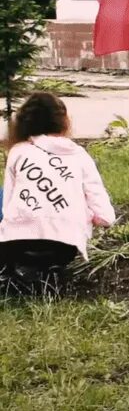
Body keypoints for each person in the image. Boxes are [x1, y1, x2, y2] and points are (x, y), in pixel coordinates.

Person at [0, 93, 115, 290]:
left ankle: (16, 271)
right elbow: (106, 217)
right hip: (64, 247)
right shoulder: (79, 155)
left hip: (15, 244)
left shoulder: (18, 151)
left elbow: (8, 205)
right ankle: (38, 273)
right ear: (64, 121)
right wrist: (92, 216)